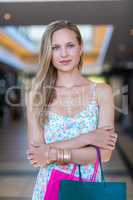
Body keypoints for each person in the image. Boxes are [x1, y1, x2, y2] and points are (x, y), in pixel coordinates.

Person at [26, 20, 118, 200]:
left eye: (70, 45)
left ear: (81, 47)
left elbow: (104, 154)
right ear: (48, 52)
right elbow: (36, 156)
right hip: (48, 190)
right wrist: (87, 138)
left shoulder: (101, 92)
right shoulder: (37, 96)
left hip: (89, 190)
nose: (64, 54)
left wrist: (52, 153)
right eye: (55, 47)